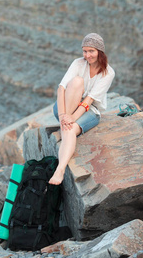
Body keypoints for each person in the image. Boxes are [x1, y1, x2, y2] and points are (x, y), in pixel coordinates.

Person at [49, 33, 115, 185]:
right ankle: (64, 125)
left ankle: (60, 170)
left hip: (89, 110)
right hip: (65, 105)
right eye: (85, 51)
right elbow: (61, 89)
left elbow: (89, 100)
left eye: (91, 51)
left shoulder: (108, 72)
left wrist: (70, 119)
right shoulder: (78, 63)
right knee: (77, 81)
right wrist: (63, 115)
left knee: (69, 129)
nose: (87, 55)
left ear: (100, 51)